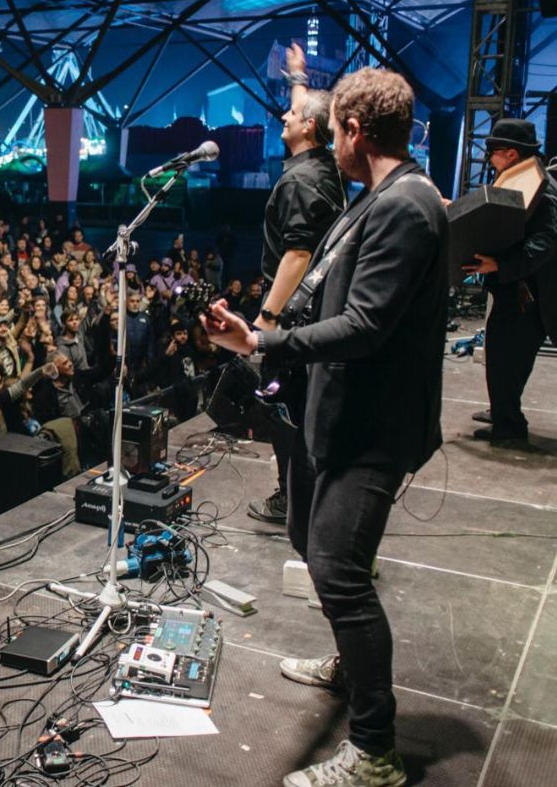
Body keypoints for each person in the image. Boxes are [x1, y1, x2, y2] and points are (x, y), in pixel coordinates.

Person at [202, 67, 447, 787]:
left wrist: (263, 344)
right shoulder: (378, 198)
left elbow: (367, 325)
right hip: (336, 409)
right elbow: (322, 288)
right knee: (311, 543)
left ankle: (375, 752)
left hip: (373, 423)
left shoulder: (407, 206)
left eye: (334, 126)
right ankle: (352, 662)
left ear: (353, 132)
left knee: (338, 569)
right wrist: (263, 332)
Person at [249, 42, 347, 524]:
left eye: (293, 114)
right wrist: (297, 75)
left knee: (283, 408)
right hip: (321, 306)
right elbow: (309, 109)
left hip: (294, 313)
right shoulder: (325, 163)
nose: (283, 117)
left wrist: (267, 317)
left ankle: (291, 498)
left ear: (309, 126)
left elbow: (297, 253)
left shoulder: (298, 183)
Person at [462, 118, 557, 443]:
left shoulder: (541, 188)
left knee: (507, 358)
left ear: (512, 154)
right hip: (516, 289)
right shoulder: (521, 179)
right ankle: (502, 410)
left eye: (494, 152)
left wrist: (500, 265)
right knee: (503, 356)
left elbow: (545, 242)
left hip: (527, 295)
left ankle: (510, 427)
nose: (489, 159)